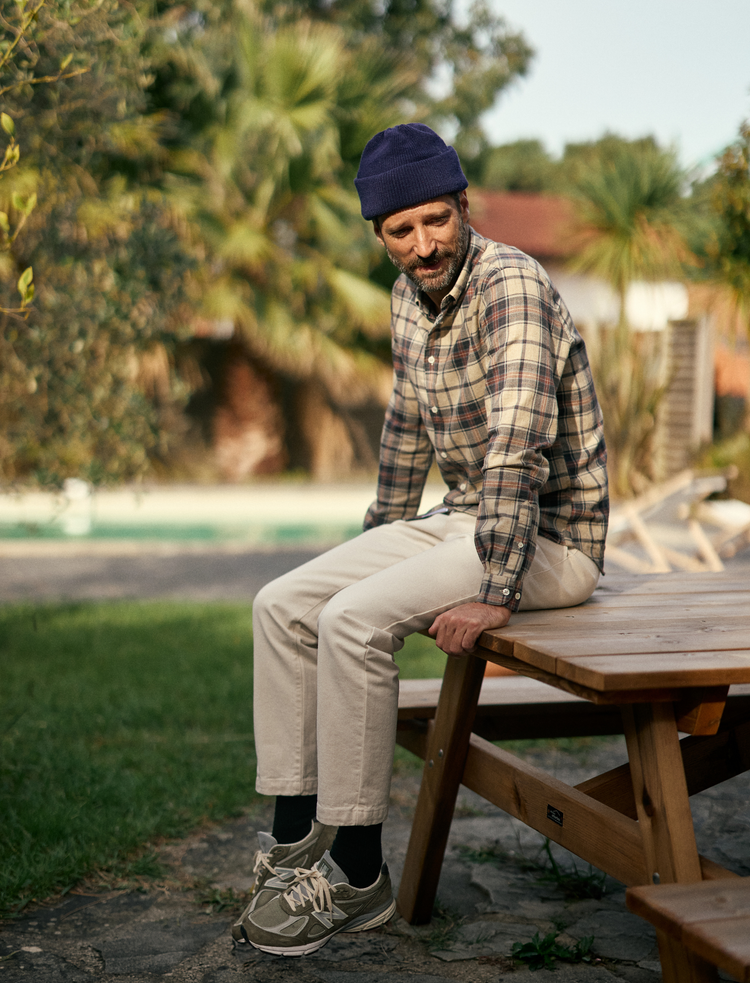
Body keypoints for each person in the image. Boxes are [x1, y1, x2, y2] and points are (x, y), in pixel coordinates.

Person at [233, 123, 609, 956]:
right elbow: (405, 429)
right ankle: (297, 839)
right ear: (381, 236)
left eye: (435, 220)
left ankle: (359, 874)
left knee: (354, 621)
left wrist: (493, 592)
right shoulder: (409, 298)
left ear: (463, 206)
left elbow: (517, 447)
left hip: (550, 539)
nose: (422, 243)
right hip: (464, 518)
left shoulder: (510, 285)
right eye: (401, 230)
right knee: (285, 602)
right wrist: (376, 542)